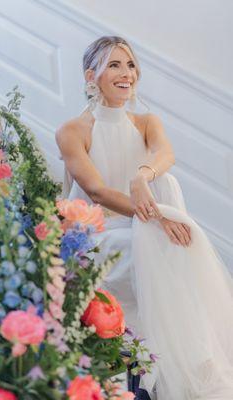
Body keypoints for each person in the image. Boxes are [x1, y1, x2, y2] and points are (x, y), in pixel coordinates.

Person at [56, 36, 233, 400]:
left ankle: (184, 366)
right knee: (161, 243)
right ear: (92, 75)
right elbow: (98, 192)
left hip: (143, 226)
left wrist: (141, 177)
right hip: (95, 239)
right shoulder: (72, 131)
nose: (127, 73)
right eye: (115, 65)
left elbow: (165, 154)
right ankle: (175, 366)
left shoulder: (147, 122)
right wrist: (155, 219)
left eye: (131, 64)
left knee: (164, 182)